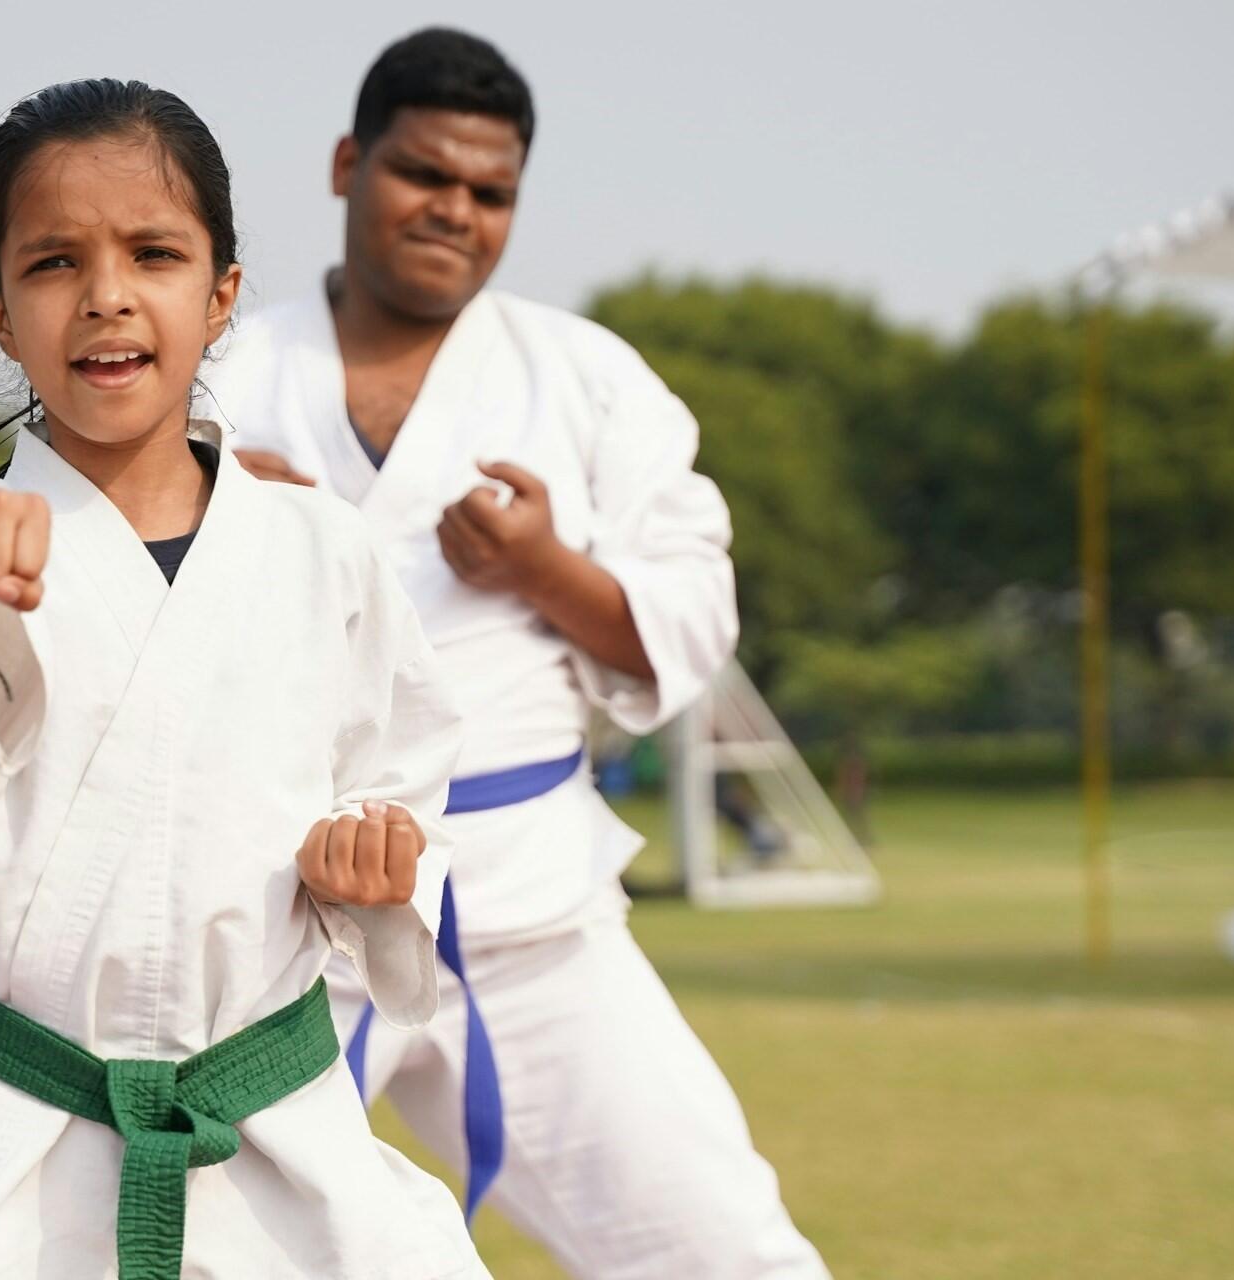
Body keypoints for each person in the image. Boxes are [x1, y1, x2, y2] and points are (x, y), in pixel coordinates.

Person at [0, 78, 488, 1280]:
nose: (107, 294)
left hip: (268, 1126)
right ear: (0, 311)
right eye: (55, 261)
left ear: (220, 295)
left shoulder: (323, 551)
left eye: (154, 253)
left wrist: (372, 864)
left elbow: (399, 786)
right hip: (23, 1132)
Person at [206, 29, 830, 1279]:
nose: (455, 211)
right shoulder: (219, 375)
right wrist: (215, 518)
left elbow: (695, 625)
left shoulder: (590, 381)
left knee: (725, 1251)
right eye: (422, 175)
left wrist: (540, 566)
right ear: (347, 165)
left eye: (490, 193)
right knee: (163, 1244)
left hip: (525, 913)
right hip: (267, 917)